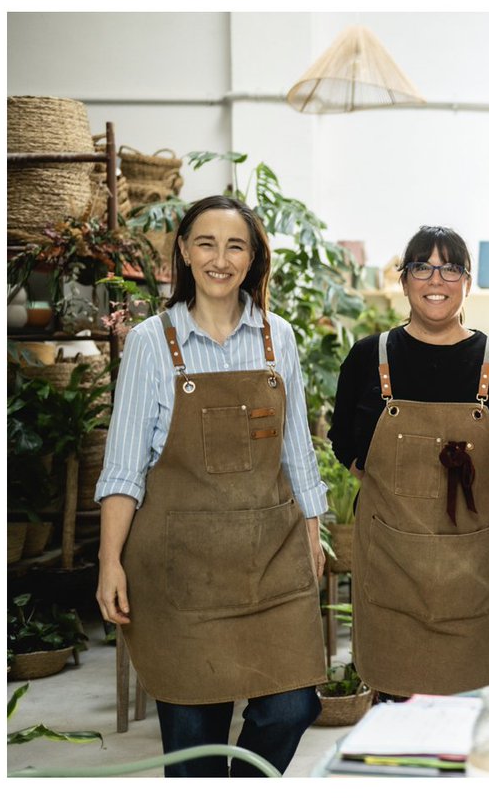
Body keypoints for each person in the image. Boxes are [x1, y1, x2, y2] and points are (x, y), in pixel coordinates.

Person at [94, 195, 327, 777]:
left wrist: (313, 531)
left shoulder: (280, 339)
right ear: (184, 251)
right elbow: (124, 468)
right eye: (206, 243)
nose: (219, 259)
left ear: (252, 260)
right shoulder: (152, 342)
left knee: (292, 706)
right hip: (180, 575)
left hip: (269, 563)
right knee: (195, 738)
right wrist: (108, 561)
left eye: (235, 246)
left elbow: (297, 450)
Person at [328, 225, 489, 699]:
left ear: (467, 281)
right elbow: (344, 442)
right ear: (404, 279)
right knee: (396, 720)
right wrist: (398, 503)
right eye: (422, 267)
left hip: (475, 573)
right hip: (392, 574)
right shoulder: (370, 356)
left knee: (472, 715)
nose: (437, 279)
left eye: (451, 267)